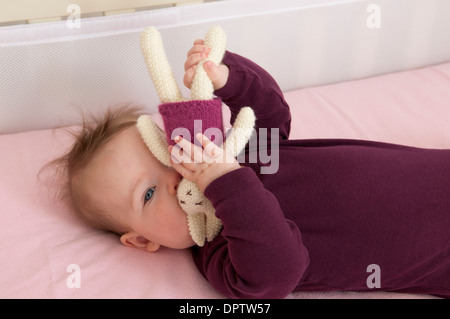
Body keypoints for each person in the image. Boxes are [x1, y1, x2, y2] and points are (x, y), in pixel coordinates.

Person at [52, 39, 450, 299]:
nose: (177, 177)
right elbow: (279, 272)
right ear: (142, 240)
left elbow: (270, 115)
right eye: (149, 193)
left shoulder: (248, 157)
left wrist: (225, 77)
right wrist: (225, 183)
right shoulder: (224, 255)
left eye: (165, 155)